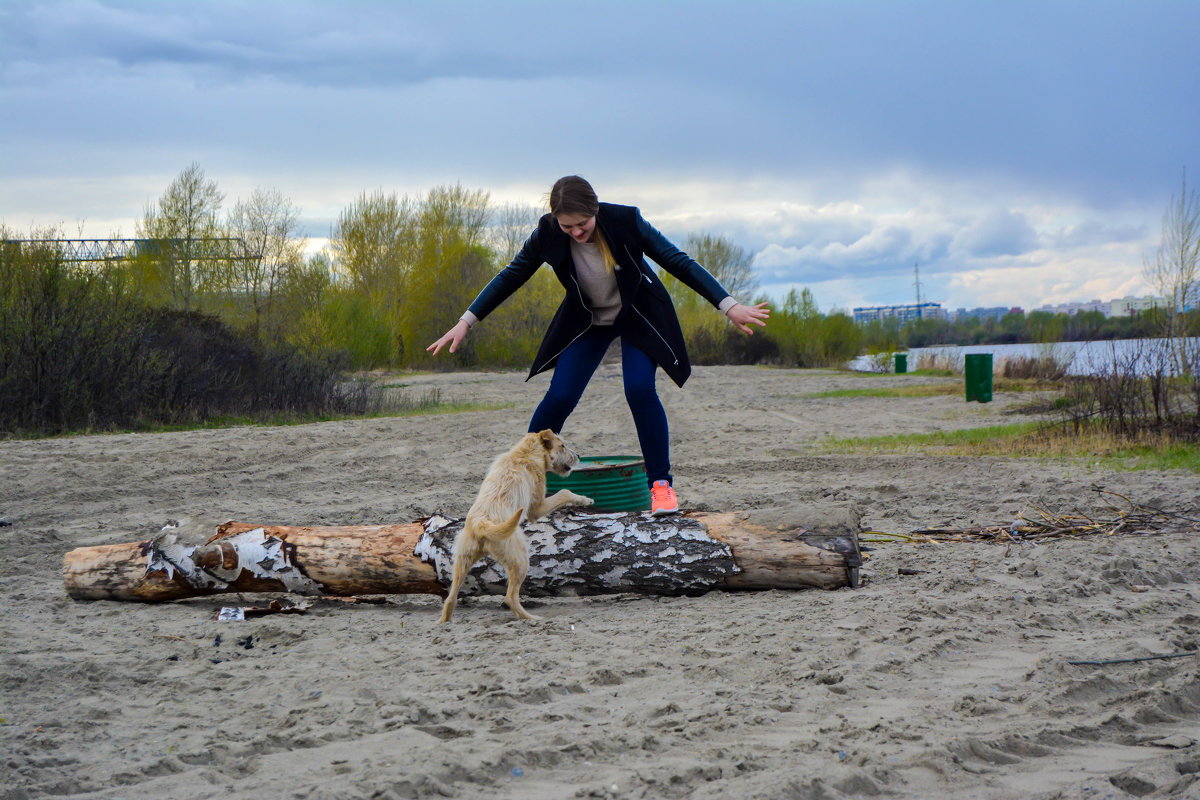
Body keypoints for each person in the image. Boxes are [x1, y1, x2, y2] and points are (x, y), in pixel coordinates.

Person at [427, 176, 769, 515]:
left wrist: (728, 305)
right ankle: (519, 480)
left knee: (638, 389)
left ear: (595, 209)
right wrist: (465, 321)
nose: (576, 232)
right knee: (559, 395)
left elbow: (678, 261)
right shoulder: (547, 232)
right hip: (588, 321)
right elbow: (511, 274)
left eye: (582, 224)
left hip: (638, 316)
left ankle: (661, 487)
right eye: (567, 226)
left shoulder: (625, 220)